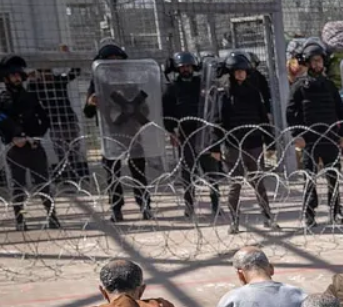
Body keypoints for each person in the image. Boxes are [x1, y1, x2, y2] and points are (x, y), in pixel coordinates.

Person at [0, 55, 59, 230]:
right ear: (5, 78)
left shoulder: (31, 98)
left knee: (43, 184)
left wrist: (36, 137)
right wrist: (12, 138)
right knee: (18, 187)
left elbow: (45, 120)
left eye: (18, 75)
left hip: (34, 146)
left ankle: (52, 216)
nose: (17, 78)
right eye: (12, 75)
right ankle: (20, 220)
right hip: (15, 149)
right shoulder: (1, 102)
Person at [84, 43, 152, 222]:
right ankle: (116, 208)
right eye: (110, 60)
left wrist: (133, 109)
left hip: (132, 133)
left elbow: (144, 108)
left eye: (117, 59)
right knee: (112, 174)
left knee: (138, 171)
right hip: (110, 134)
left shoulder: (130, 80)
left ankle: (145, 205)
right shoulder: (97, 83)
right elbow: (88, 113)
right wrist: (91, 102)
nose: (114, 63)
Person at [210, 52, 277, 234]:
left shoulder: (254, 92)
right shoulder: (224, 93)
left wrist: (270, 142)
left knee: (258, 182)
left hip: (254, 142)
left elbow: (263, 118)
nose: (240, 74)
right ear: (231, 73)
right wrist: (215, 146)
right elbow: (218, 121)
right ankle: (234, 221)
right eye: (236, 71)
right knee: (235, 184)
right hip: (233, 144)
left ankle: (268, 217)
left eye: (243, 71)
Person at [286, 41, 343, 228]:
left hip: (330, 137)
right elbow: (290, 113)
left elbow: (340, 110)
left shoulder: (329, 85)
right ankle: (309, 214)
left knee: (333, 176)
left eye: (319, 60)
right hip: (310, 139)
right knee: (309, 178)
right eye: (313, 61)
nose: (317, 64)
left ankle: (336, 211)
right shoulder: (299, 87)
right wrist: (297, 135)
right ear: (307, 62)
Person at [162, 50, 220, 218]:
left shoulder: (201, 84)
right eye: (182, 67)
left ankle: (216, 202)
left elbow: (211, 105)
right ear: (177, 69)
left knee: (210, 169)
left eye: (188, 66)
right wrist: (171, 131)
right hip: (184, 133)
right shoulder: (171, 88)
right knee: (187, 172)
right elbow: (167, 112)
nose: (186, 69)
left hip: (203, 131)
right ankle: (189, 205)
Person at [30, 67, 90, 181]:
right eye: (43, 73)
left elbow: (75, 72)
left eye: (48, 72)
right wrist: (31, 79)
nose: (47, 76)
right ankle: (67, 178)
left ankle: (75, 177)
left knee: (74, 151)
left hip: (69, 121)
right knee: (61, 153)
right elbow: (28, 94)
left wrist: (68, 57)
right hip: (54, 124)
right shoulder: (37, 87)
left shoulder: (59, 82)